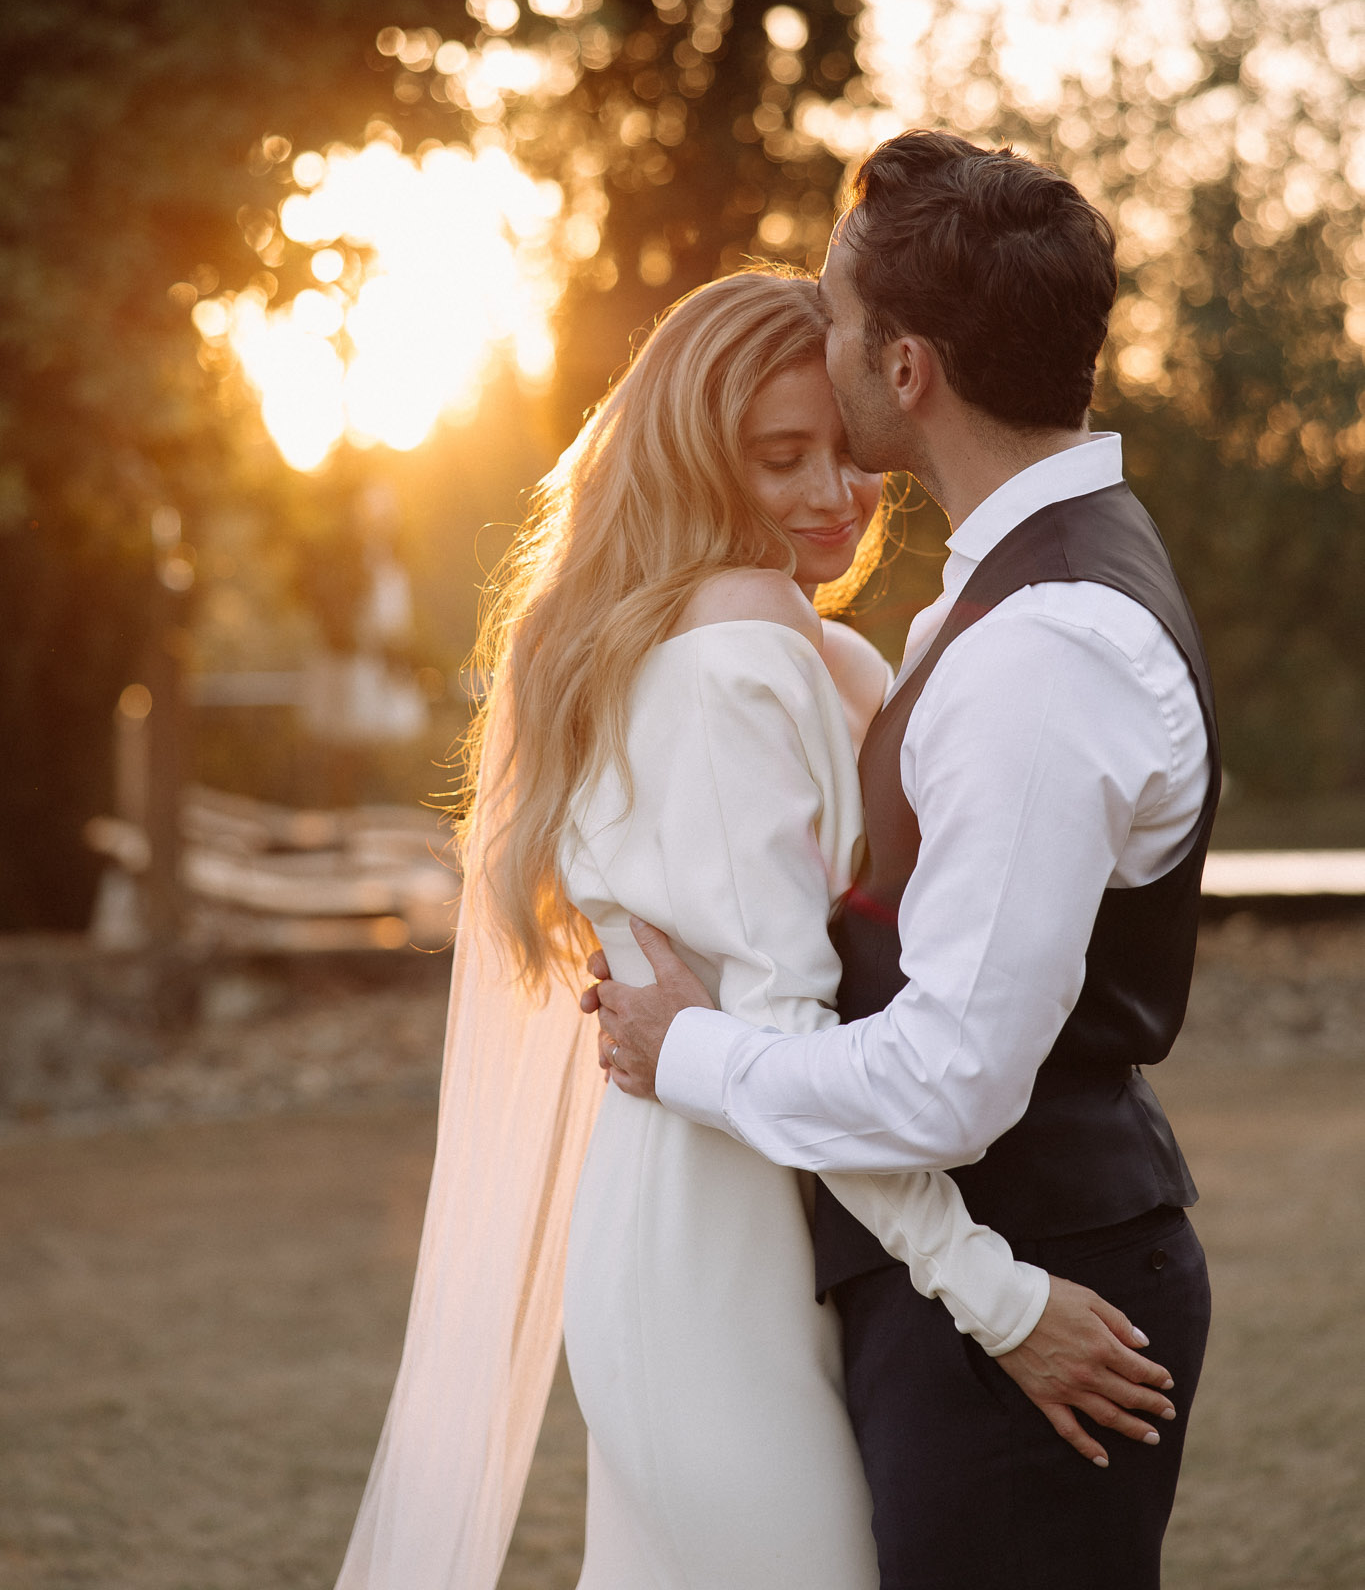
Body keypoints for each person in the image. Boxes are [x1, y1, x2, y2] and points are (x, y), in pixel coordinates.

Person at [335, 265, 1173, 1590]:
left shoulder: (810, 645)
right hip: (706, 1248)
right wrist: (998, 1298)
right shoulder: (734, 658)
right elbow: (786, 1029)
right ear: (691, 461)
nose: (831, 497)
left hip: (770, 1217)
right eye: (779, 460)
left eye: (846, 458)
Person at [592, 132, 1216, 1590]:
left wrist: (683, 1051)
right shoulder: (982, 611)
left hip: (1039, 1285)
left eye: (836, 314)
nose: (819, 334)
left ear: (906, 369)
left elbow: (946, 1079)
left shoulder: (1040, 651)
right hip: (970, 1275)